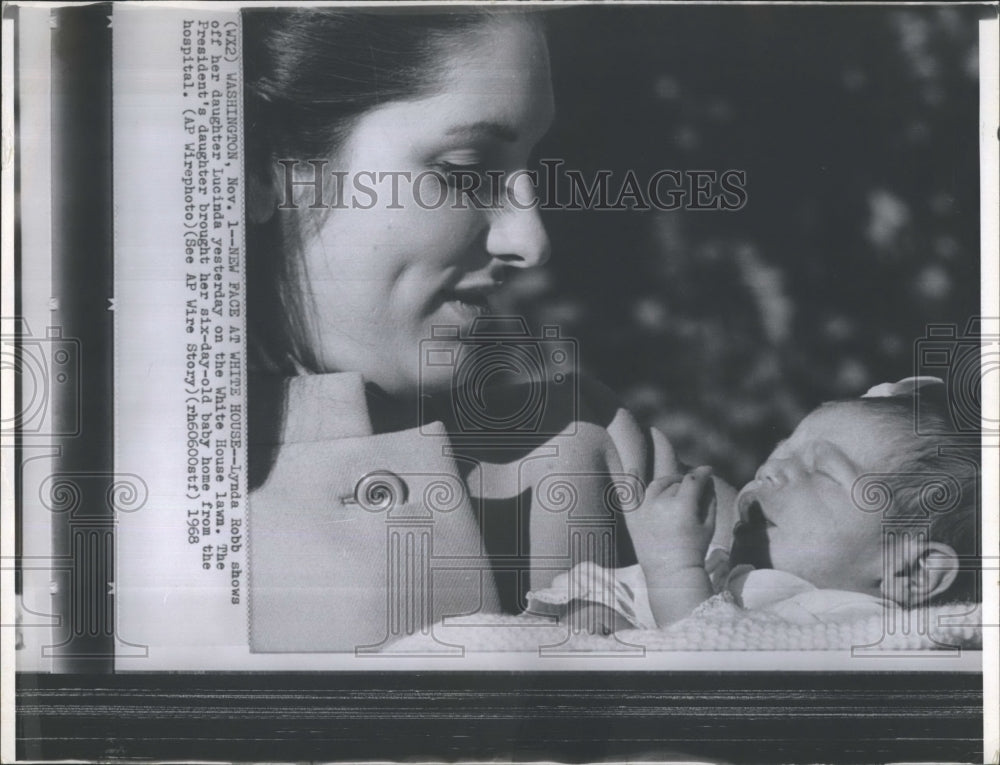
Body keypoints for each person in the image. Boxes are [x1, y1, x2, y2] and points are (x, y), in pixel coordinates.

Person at [241, 8, 736, 652]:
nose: (530, 240)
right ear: (264, 168)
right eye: (466, 170)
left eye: (532, 167)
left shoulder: (589, 443)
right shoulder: (144, 521)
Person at [529, 378, 979, 631]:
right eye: (779, 453)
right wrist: (595, 611)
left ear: (912, 572)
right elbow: (616, 590)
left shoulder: (856, 624)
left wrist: (673, 568)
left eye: (821, 472)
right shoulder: (722, 569)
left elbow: (725, 673)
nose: (768, 471)